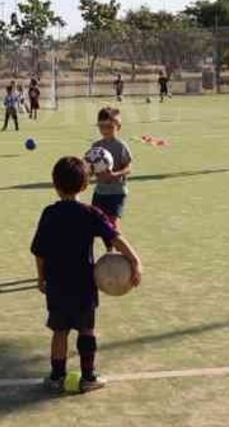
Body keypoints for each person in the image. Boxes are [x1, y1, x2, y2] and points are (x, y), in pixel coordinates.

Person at [31, 156, 143, 394]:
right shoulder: (91, 213)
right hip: (83, 283)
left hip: (57, 283)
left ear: (55, 184)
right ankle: (89, 376)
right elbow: (115, 238)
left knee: (59, 330)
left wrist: (41, 278)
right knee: (86, 329)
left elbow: (39, 251)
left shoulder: (49, 213)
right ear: (85, 185)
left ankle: (56, 377)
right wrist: (135, 261)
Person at [90, 107, 133, 249]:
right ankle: (110, 250)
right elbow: (90, 167)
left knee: (112, 224)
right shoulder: (96, 147)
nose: (105, 130)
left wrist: (114, 175)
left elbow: (128, 168)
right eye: (101, 126)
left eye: (109, 126)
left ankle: (122, 253)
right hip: (100, 192)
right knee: (97, 224)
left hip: (117, 192)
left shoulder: (121, 146)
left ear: (118, 126)